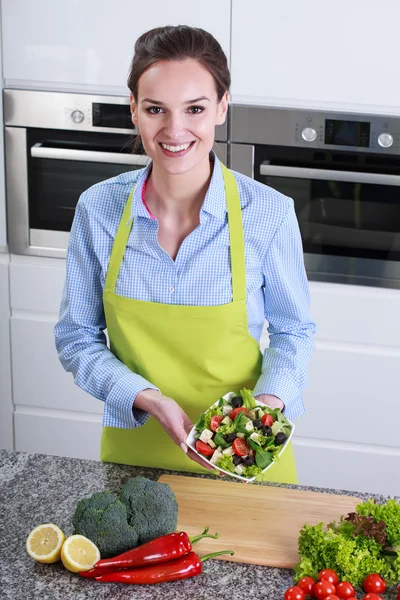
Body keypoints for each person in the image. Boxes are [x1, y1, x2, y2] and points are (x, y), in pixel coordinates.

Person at [54, 25, 315, 484]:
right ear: (134, 109)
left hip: (244, 456)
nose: (175, 130)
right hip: (135, 461)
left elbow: (294, 332)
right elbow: (77, 337)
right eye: (156, 109)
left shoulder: (269, 213)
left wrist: (264, 411)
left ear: (221, 106)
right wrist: (148, 398)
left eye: (194, 108)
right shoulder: (98, 210)